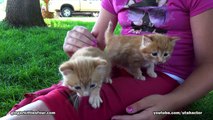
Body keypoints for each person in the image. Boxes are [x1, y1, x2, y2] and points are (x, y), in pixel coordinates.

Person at [2, 0, 213, 120]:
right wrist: (77, 45)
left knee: (81, 103)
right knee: (70, 92)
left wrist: (171, 103)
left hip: (165, 73)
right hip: (120, 62)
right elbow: (97, 45)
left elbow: (209, 65)